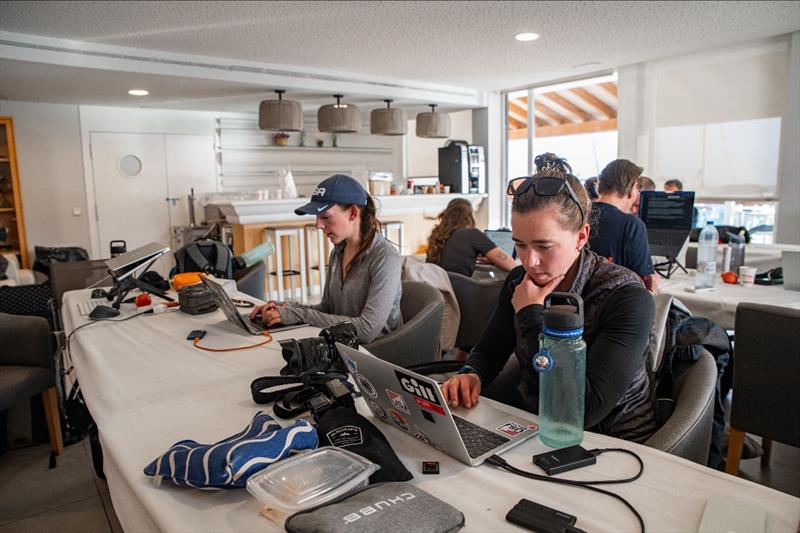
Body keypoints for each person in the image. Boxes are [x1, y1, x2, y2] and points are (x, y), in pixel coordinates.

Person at [441, 160, 658, 443]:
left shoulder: (627, 298)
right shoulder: (519, 281)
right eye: (519, 244)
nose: (529, 261)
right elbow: (488, 353)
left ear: (581, 236)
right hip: (535, 428)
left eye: (544, 246)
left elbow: (583, 410)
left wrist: (531, 315)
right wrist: (471, 374)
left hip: (615, 443)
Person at [250, 174, 402, 344]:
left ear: (352, 213)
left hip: (375, 353)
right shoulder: (338, 252)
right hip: (343, 347)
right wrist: (282, 307)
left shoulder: (385, 258)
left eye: (325, 217)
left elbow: (367, 330)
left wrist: (296, 314)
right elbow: (327, 309)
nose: (318, 225)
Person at [589, 159, 657, 290]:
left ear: (600, 186)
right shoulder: (631, 225)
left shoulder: (577, 215)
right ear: (632, 189)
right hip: (614, 303)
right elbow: (644, 281)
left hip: (573, 301)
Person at [426, 198, 516, 277]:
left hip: (441, 290)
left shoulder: (437, 236)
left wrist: (492, 260)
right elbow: (510, 265)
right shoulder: (472, 234)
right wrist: (495, 260)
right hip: (462, 290)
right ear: (469, 216)